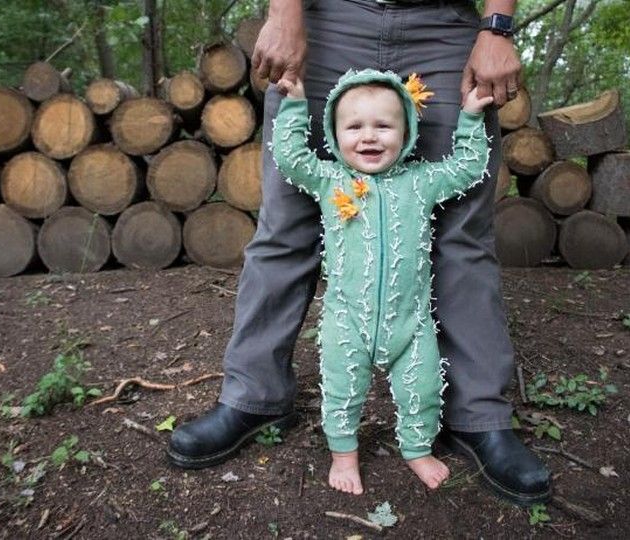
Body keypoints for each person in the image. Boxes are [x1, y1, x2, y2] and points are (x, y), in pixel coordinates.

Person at [168, 0, 551, 506]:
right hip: (327, 17)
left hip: (444, 25)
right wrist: (284, 13)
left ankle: (478, 415)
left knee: (462, 234)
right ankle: (255, 396)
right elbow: (294, 161)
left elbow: (464, 171)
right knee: (285, 224)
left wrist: (496, 26)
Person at [271, 67, 493, 494]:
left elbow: (468, 167)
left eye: (383, 126)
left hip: (410, 323)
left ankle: (417, 448)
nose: (369, 137)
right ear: (335, 134)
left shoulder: (420, 182)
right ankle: (344, 455)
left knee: (422, 389)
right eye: (354, 126)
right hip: (346, 321)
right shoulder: (330, 179)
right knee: (341, 389)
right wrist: (295, 105)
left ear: (407, 131)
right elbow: (292, 159)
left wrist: (469, 118)